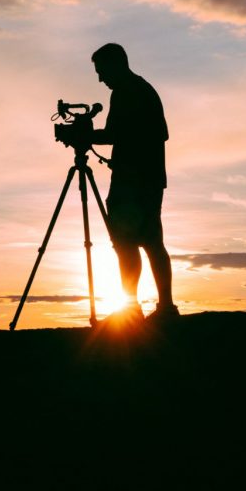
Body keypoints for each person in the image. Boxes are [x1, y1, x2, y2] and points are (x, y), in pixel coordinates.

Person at [89, 42, 178, 322]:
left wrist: (85, 136)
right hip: (144, 178)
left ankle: (142, 309)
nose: (100, 79)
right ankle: (155, 307)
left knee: (133, 242)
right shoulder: (140, 89)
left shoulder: (129, 91)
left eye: (102, 71)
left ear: (116, 65)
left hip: (134, 181)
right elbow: (144, 133)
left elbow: (128, 134)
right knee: (147, 242)